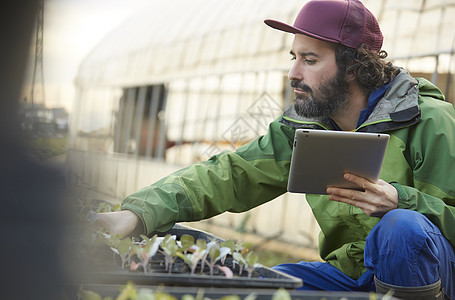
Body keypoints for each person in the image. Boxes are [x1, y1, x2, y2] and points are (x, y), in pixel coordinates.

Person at [96, 0, 455, 298]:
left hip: (434, 277)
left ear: (353, 67)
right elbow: (230, 173)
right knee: (254, 287)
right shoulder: (303, 127)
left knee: (402, 229)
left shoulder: (431, 122)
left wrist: (402, 202)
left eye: (310, 60)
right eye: (293, 57)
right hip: (352, 272)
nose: (293, 73)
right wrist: (138, 214)